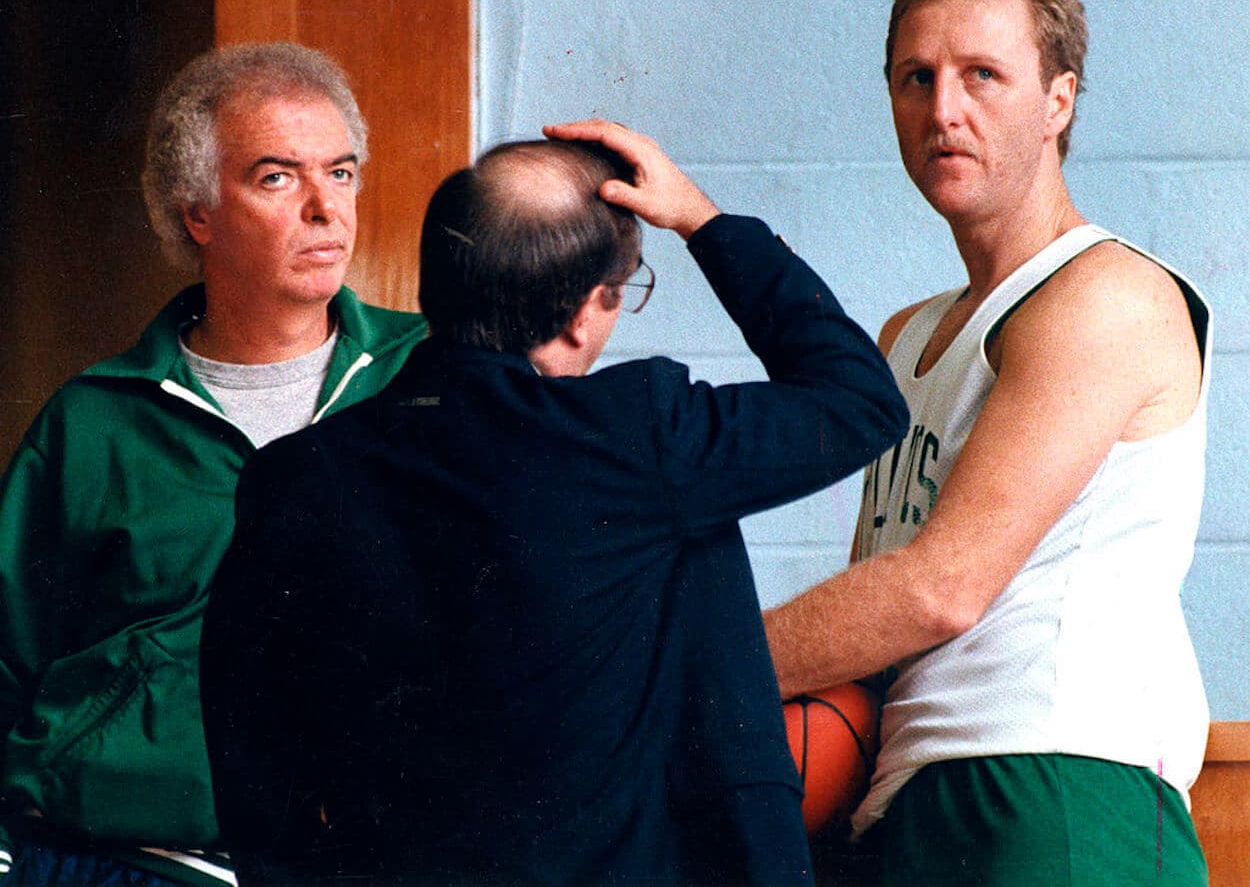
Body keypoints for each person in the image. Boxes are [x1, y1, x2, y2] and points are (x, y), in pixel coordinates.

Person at [198, 125, 909, 886]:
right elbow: (859, 399)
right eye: (622, 291)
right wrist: (700, 219)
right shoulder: (637, 440)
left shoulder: (292, 480)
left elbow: (253, 766)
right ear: (580, 314)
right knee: (694, 525)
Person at [763, 0, 1212, 885]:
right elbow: (877, 606)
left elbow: (940, 588)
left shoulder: (1105, 293)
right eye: (915, 78)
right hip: (906, 802)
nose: (944, 110)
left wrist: (687, 662)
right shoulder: (905, 336)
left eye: (982, 75)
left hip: (1059, 787)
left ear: (1059, 101)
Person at [0, 42, 428, 886]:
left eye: (341, 174)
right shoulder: (96, 421)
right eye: (277, 178)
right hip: (133, 860)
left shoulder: (439, 378)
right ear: (197, 212)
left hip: (381, 856)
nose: (325, 210)